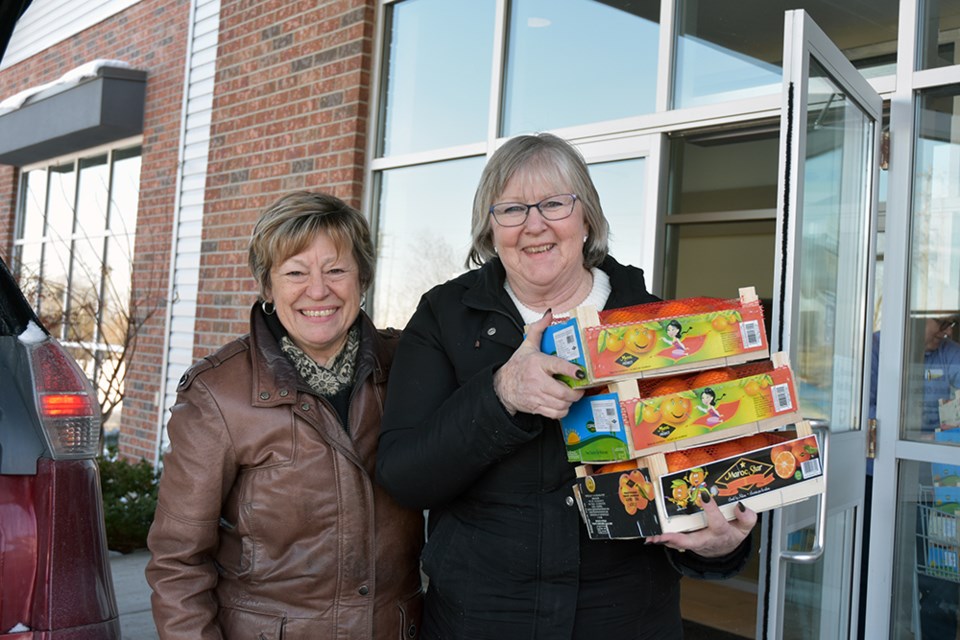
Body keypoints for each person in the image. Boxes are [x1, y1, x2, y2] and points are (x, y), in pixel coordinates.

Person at [376, 133, 756, 639]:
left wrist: (722, 546)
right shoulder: (446, 317)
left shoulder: (655, 325)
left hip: (624, 621)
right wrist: (501, 395)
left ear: (587, 218)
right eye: (512, 209)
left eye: (554, 203)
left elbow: (712, 470)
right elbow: (405, 475)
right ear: (491, 227)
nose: (535, 224)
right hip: (483, 621)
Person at [146, 192, 424, 639]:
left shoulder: (409, 366)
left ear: (363, 279)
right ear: (268, 286)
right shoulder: (218, 394)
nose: (318, 291)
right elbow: (179, 563)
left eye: (336, 270)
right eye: (295, 272)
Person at [860, 315, 960, 640]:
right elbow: (863, 410)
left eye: (951, 326)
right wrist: (913, 433)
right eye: (941, 323)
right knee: (876, 567)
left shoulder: (950, 353)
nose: (946, 333)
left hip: (937, 479)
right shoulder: (874, 348)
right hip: (880, 473)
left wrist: (932, 437)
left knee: (937, 571)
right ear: (914, 318)